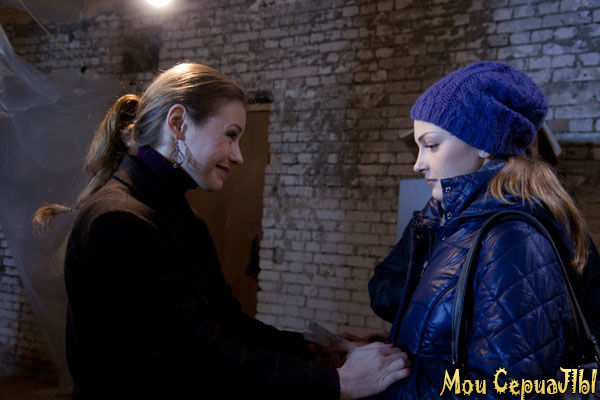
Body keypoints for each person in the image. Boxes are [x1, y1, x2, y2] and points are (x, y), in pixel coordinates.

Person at [34, 63, 411, 400]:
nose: (238, 155)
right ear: (178, 123)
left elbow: (226, 325)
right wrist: (338, 383)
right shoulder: (119, 218)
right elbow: (190, 351)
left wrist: (318, 350)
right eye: (230, 135)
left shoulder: (179, 217)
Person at [368, 61, 600, 399]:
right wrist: (388, 357)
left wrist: (383, 382)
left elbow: (505, 391)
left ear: (484, 145)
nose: (418, 163)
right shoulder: (455, 221)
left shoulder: (512, 237)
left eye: (431, 145)